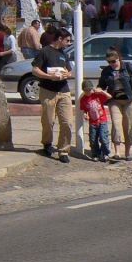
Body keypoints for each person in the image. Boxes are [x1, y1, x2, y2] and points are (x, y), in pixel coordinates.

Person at [31, 27, 74, 163]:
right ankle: (47, 144)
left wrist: (67, 74)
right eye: (67, 40)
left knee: (67, 122)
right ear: (60, 39)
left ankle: (63, 150)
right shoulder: (44, 52)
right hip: (48, 91)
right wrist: (49, 76)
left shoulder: (64, 54)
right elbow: (35, 70)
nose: (69, 43)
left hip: (64, 90)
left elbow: (69, 71)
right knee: (48, 121)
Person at [97, 48, 132, 162]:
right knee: (116, 125)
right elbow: (101, 85)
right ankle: (117, 152)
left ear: (119, 58)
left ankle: (127, 152)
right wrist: (99, 90)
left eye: (113, 61)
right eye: (109, 62)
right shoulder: (106, 71)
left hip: (130, 100)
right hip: (114, 100)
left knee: (129, 126)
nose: (111, 64)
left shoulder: (128, 66)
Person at [79, 79, 112, 162]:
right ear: (83, 90)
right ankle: (95, 154)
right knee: (93, 139)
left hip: (102, 120)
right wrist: (85, 114)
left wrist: (102, 91)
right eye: (86, 90)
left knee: (103, 138)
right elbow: (84, 109)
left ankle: (105, 153)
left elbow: (109, 97)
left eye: (89, 90)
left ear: (92, 89)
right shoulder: (83, 99)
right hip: (92, 122)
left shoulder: (97, 95)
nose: (88, 92)